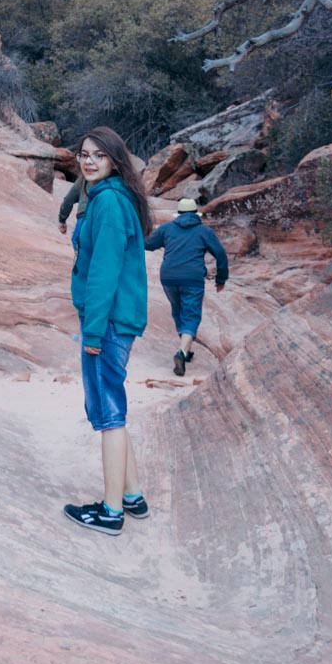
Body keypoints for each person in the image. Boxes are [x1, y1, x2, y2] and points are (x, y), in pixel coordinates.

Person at [63, 127, 152, 537]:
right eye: (84, 154)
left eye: (98, 155)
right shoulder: (106, 198)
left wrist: (94, 333)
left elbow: (104, 274)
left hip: (110, 322)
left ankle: (111, 511)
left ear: (115, 160)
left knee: (108, 415)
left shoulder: (110, 204)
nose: (89, 161)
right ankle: (131, 495)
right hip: (114, 318)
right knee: (112, 409)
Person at [144, 197, 228, 377]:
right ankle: (181, 352)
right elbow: (221, 255)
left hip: (168, 277)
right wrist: (221, 279)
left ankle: (186, 350)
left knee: (178, 311)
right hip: (192, 278)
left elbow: (148, 244)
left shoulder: (166, 229)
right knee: (191, 315)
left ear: (179, 214)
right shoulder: (204, 231)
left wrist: (134, 231)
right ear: (196, 214)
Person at [57, 173, 88, 239]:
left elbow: (70, 198)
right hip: (108, 219)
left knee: (81, 246)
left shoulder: (87, 175)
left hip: (84, 217)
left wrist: (62, 219)